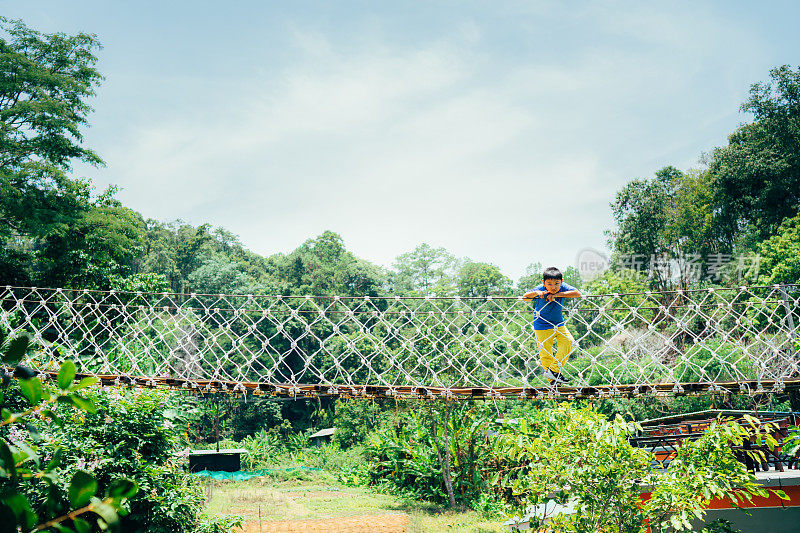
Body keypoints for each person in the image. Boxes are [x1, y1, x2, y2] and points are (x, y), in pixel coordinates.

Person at [522, 267, 581, 385]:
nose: (553, 287)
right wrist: (536, 294)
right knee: (545, 353)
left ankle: (554, 370)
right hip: (542, 324)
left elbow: (577, 293)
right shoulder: (540, 288)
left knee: (569, 342)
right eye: (549, 284)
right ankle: (553, 381)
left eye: (556, 284)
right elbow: (525, 297)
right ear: (544, 283)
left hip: (559, 324)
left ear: (561, 281)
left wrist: (558, 294)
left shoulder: (562, 288)